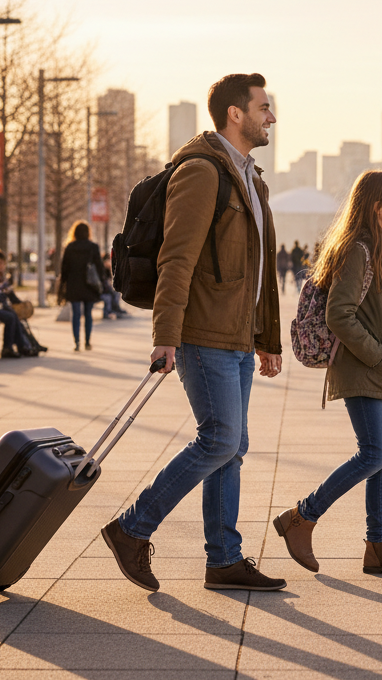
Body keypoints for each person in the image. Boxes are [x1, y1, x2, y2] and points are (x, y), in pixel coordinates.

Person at [101, 72, 286, 594]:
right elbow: (175, 258)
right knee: (221, 439)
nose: (271, 117)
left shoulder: (251, 178)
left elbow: (259, 270)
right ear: (235, 113)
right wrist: (165, 334)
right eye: (264, 108)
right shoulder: (203, 172)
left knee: (234, 446)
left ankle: (224, 559)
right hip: (202, 334)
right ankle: (132, 528)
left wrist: (267, 338)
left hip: (237, 337)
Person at [273, 171, 382, 577]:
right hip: (365, 369)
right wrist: (377, 356)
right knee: (374, 454)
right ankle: (301, 517)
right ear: (377, 206)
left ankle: (379, 545)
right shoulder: (358, 250)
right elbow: (339, 314)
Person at [58, 221, 106, 352]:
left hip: (73, 284)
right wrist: (103, 283)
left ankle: (77, 342)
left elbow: (64, 269)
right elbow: (100, 267)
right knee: (88, 314)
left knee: (76, 314)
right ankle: (87, 342)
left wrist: (62, 286)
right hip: (89, 284)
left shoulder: (70, 247)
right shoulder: (93, 247)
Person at [0, 248, 46, 354]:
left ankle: (31, 344)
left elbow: (12, 296)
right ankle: (21, 346)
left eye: (1, 263)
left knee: (18, 319)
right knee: (13, 317)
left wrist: (22, 303)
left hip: (1, 307)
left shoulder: (2, 278)